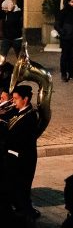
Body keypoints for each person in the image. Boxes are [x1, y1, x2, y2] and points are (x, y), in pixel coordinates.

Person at [1, 85, 44, 217]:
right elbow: (7, 116)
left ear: (25, 99)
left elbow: (16, 138)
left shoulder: (30, 117)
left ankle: (26, 215)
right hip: (12, 157)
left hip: (22, 161)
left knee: (20, 190)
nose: (13, 101)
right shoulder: (18, 110)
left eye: (15, 99)